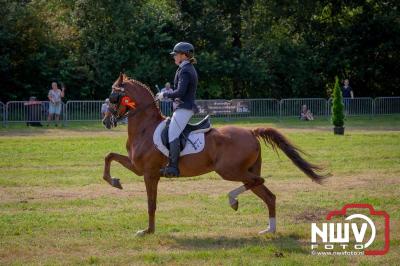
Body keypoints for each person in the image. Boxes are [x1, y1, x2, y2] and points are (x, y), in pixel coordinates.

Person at [155, 42, 198, 177]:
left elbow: (180, 92)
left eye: (176, 54)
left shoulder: (186, 70)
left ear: (184, 55)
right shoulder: (184, 68)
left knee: (172, 134)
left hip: (185, 108)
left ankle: (173, 167)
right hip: (183, 107)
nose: (174, 57)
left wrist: (165, 94)